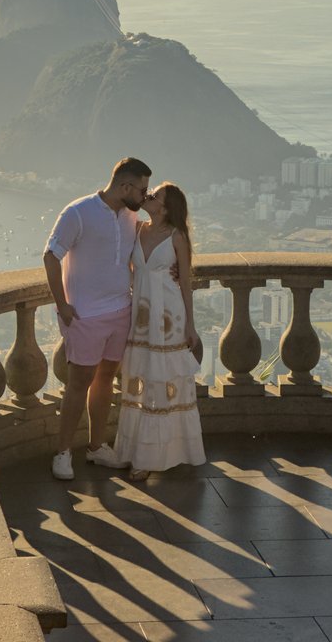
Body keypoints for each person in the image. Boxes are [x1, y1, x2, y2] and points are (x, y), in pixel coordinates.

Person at [43, 157, 152, 481]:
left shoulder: (131, 216)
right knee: (78, 384)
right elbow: (51, 256)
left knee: (105, 381)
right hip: (86, 315)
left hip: (121, 311)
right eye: (142, 189)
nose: (145, 196)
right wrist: (62, 305)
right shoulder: (78, 212)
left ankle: (96, 447)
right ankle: (62, 453)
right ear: (125, 186)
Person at [113, 181, 205, 481]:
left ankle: (155, 456)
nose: (149, 197)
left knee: (163, 381)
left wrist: (191, 324)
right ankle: (135, 451)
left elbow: (187, 283)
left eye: (155, 196)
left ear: (165, 208)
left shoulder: (177, 237)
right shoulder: (137, 229)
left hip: (169, 318)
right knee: (140, 381)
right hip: (140, 316)